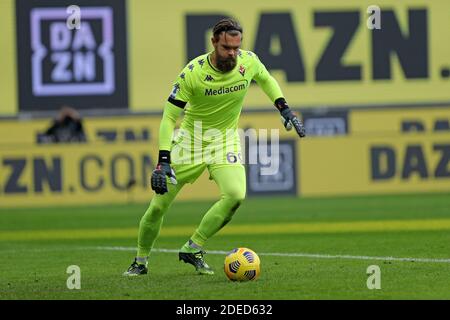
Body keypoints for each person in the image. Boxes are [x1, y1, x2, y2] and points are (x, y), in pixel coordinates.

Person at [123, 18, 305, 276]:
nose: (232, 53)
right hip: (189, 143)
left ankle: (193, 246)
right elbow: (168, 118)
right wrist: (163, 160)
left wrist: (284, 108)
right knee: (158, 207)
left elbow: (266, 79)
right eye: (226, 48)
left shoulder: (247, 62)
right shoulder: (193, 72)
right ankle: (140, 262)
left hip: (224, 141)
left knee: (235, 195)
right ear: (214, 42)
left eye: (236, 48)